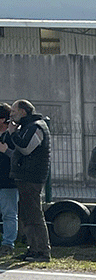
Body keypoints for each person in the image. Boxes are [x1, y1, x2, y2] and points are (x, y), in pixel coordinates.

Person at [6, 99, 51, 262]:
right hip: (24, 176)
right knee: (27, 215)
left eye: (13, 112)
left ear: (23, 112)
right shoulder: (26, 126)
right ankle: (33, 249)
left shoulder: (36, 126)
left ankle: (42, 251)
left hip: (32, 177)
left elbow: (25, 148)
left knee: (34, 215)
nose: (10, 115)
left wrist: (12, 132)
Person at [0, 104, 15, 256]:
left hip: (8, 181)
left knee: (9, 214)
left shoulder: (12, 136)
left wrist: (5, 150)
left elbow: (19, 156)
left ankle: (8, 244)